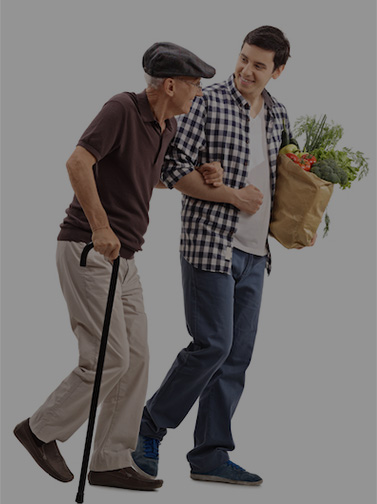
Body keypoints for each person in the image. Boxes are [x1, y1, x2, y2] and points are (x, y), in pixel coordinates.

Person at [13, 41, 219, 492]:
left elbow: (149, 177)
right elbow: (78, 161)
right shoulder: (122, 109)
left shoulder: (164, 127)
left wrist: (203, 175)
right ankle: (40, 430)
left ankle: (109, 459)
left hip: (124, 260)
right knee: (109, 357)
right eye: (193, 85)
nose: (198, 94)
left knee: (137, 357)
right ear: (169, 84)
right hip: (89, 249)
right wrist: (101, 226)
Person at [132, 26, 317, 486]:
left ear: (278, 71)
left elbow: (289, 178)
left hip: (256, 254)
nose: (246, 71)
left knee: (236, 356)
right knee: (211, 345)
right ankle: (147, 427)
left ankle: (210, 454)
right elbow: (171, 169)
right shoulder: (207, 101)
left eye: (259, 65)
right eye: (243, 58)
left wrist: (304, 218)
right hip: (210, 245)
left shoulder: (278, 115)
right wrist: (232, 196)